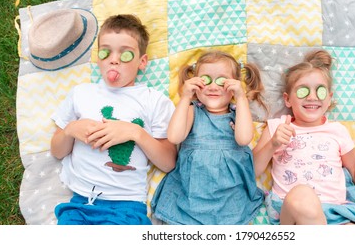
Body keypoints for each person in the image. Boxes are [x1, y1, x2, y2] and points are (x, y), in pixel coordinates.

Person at [50, 13, 176, 225]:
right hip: (80, 204)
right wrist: (71, 129)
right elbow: (56, 151)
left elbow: (168, 163)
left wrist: (136, 133)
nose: (113, 59)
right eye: (105, 52)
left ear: (141, 62)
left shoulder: (154, 101)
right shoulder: (81, 93)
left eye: (125, 54)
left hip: (125, 206)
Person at [253, 49, 355, 225]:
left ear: (329, 98)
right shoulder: (277, 127)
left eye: (320, 91)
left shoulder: (337, 131)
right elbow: (252, 170)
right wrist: (273, 144)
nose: (312, 97)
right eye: (303, 91)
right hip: (293, 211)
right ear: (287, 99)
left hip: (337, 213)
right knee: (302, 195)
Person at [151, 50, 266, 224]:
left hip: (230, 196)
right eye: (205, 80)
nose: (213, 86)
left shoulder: (238, 115)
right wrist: (185, 97)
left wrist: (241, 97)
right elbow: (174, 137)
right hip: (190, 195)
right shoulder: (191, 111)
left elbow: (243, 139)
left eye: (222, 81)